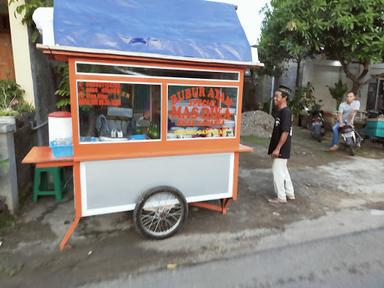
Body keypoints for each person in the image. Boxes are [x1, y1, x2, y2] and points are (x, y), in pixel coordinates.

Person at [267, 86, 295, 203]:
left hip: (282, 148)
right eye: (275, 96)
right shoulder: (281, 112)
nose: (275, 98)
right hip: (281, 147)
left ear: (284, 98)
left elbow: (285, 132)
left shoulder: (286, 113)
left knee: (277, 171)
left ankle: (281, 197)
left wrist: (277, 148)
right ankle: (290, 193)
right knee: (283, 170)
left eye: (277, 96)